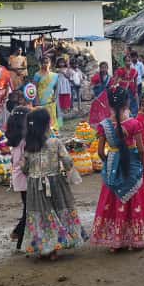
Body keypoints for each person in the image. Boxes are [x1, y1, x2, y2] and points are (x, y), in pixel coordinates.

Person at [19, 107, 88, 259]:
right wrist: (70, 174)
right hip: (55, 182)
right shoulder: (55, 142)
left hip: (35, 186)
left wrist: (32, 175)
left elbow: (24, 167)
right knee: (57, 211)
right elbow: (67, 160)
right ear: (46, 124)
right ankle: (55, 248)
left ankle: (46, 247)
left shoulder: (29, 146)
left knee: (42, 215)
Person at [91, 86, 144, 252]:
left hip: (113, 165)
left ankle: (115, 241)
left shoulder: (104, 125)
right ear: (128, 102)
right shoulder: (134, 124)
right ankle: (134, 239)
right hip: (131, 165)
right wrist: (142, 164)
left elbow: (100, 151)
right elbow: (141, 149)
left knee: (113, 199)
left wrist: (109, 160)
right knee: (132, 200)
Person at [6, 106, 32, 249]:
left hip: (18, 177)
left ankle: (19, 237)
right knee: (29, 208)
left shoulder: (15, 139)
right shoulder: (25, 140)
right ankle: (18, 233)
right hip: (25, 176)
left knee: (27, 207)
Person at [32, 56, 62, 129]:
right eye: (43, 63)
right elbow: (34, 88)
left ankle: (53, 130)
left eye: (47, 63)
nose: (45, 65)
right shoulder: (37, 75)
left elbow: (56, 87)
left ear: (50, 64)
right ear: (40, 64)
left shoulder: (54, 75)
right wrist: (36, 99)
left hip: (51, 99)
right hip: (41, 98)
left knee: (52, 115)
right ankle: (42, 131)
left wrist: (55, 96)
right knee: (42, 116)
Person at [89, 61, 112, 127]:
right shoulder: (96, 77)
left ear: (107, 68)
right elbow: (91, 85)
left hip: (106, 97)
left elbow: (110, 87)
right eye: (102, 68)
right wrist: (93, 92)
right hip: (97, 96)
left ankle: (105, 122)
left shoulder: (109, 78)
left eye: (105, 67)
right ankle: (96, 123)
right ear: (100, 68)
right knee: (97, 109)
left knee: (105, 109)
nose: (103, 69)